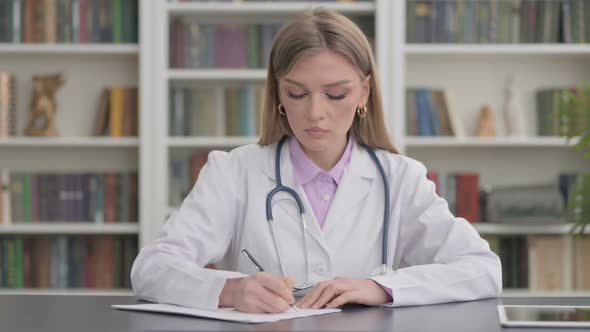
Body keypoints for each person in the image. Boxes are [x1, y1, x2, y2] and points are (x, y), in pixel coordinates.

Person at [131, 8, 502, 314]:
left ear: (364, 93)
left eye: (335, 94)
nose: (315, 113)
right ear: (278, 92)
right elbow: (152, 269)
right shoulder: (233, 172)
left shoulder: (400, 178)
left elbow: (482, 270)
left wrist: (381, 287)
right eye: (297, 93)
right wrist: (230, 290)